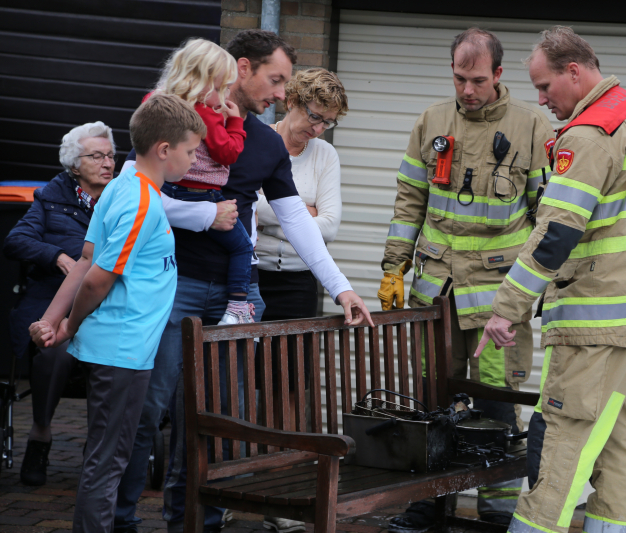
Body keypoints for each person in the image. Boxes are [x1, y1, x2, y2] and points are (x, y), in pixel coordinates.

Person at [113, 30, 373, 533]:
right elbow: (135, 192)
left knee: (216, 421)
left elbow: (296, 220)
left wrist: (341, 287)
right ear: (243, 68)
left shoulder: (265, 142)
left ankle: (195, 524)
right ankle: (120, 522)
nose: (281, 94)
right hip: (171, 285)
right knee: (146, 409)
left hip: (237, 292)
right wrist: (203, 215)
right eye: (275, 80)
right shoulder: (171, 118)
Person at [476, 27, 626, 533]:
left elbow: (554, 236)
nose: (541, 99)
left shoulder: (587, 136)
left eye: (545, 86)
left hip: (594, 324)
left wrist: (506, 310)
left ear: (573, 72)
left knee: (561, 448)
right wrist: (622, 218)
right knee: (621, 447)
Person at [379, 28, 555, 531]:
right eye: (459, 78)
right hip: (437, 290)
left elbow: (547, 217)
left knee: (496, 402)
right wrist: (394, 266)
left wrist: (538, 289)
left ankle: (497, 508)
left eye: (477, 80)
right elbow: (409, 200)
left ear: (498, 74)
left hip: (499, 299)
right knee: (433, 400)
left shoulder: (531, 126)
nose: (467, 90)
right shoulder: (431, 121)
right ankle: (428, 501)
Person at [28, 93, 205, 533]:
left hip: (123, 349)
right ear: (164, 149)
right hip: (122, 351)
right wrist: (67, 325)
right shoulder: (140, 201)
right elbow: (95, 279)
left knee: (107, 457)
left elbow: (87, 258)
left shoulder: (121, 187)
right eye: (191, 151)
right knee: (107, 462)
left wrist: (51, 321)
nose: (194, 160)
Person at [254, 67, 347, 533]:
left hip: (297, 282)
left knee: (289, 388)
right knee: (236, 385)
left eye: (328, 121)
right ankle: (229, 488)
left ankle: (282, 494)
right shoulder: (258, 142)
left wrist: (278, 214)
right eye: (314, 116)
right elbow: (246, 206)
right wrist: (297, 213)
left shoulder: (325, 155)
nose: (319, 129)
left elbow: (330, 225)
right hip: (250, 277)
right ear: (290, 101)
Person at [3, 121, 116, 486]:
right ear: (74, 164)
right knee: (54, 352)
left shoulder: (122, 198)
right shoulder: (52, 197)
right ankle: (40, 434)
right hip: (54, 301)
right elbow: (15, 240)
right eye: (96, 156)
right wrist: (57, 257)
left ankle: (99, 449)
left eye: (110, 155)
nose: (107, 163)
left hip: (106, 304)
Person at [155, 38, 256, 325]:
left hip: (166, 188)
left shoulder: (159, 102)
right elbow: (227, 152)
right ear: (202, 82)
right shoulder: (205, 114)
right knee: (243, 246)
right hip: (202, 194)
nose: (224, 98)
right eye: (221, 89)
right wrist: (235, 122)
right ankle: (237, 307)